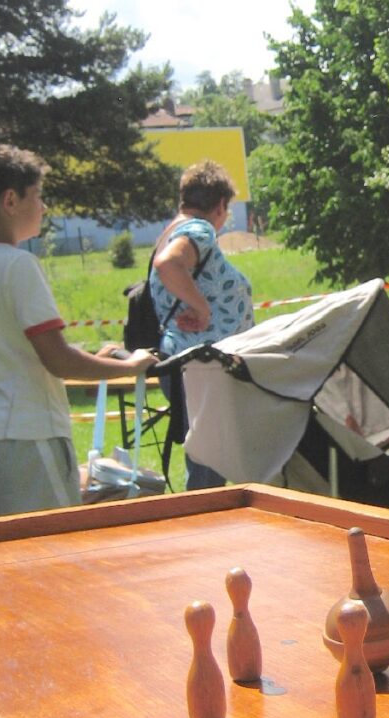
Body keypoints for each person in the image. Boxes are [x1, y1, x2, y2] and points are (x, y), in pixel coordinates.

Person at [0, 144, 158, 517]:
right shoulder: (18, 265)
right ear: (10, 200)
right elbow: (58, 360)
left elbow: (5, 345)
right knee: (48, 551)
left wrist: (92, 357)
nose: (43, 207)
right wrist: (130, 366)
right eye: (38, 195)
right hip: (25, 437)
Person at [150, 160, 254, 488]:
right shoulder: (199, 229)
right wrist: (202, 308)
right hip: (200, 363)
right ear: (220, 205)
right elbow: (169, 264)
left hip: (187, 360)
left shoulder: (172, 230)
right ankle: (206, 525)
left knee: (206, 460)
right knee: (210, 463)